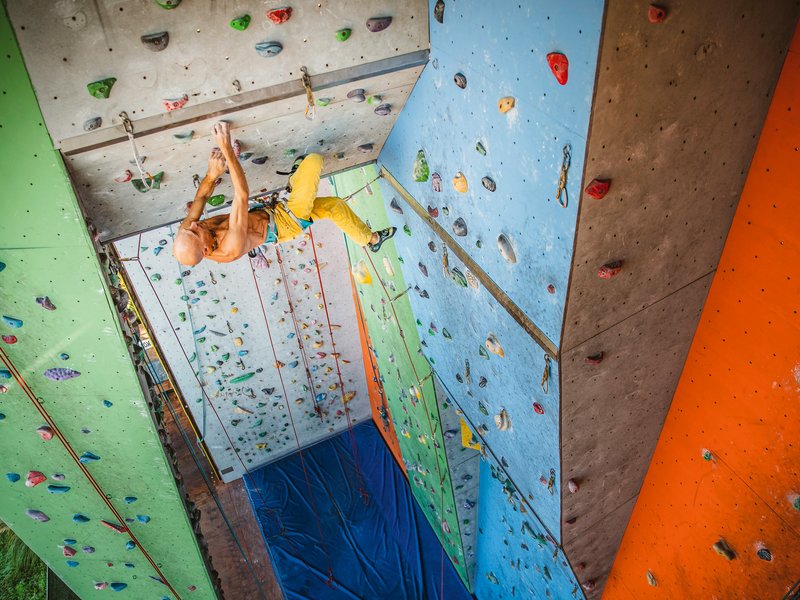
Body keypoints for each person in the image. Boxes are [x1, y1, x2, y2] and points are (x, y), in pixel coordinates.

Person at [173, 122, 396, 266]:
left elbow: (200, 198)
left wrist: (211, 175)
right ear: (205, 249)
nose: (194, 225)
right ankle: (295, 178)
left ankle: (372, 239)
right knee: (314, 161)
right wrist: (226, 148)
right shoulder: (230, 248)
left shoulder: (189, 233)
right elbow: (241, 194)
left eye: (188, 228)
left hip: (271, 212)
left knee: (334, 206)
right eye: (194, 232)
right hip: (286, 223)